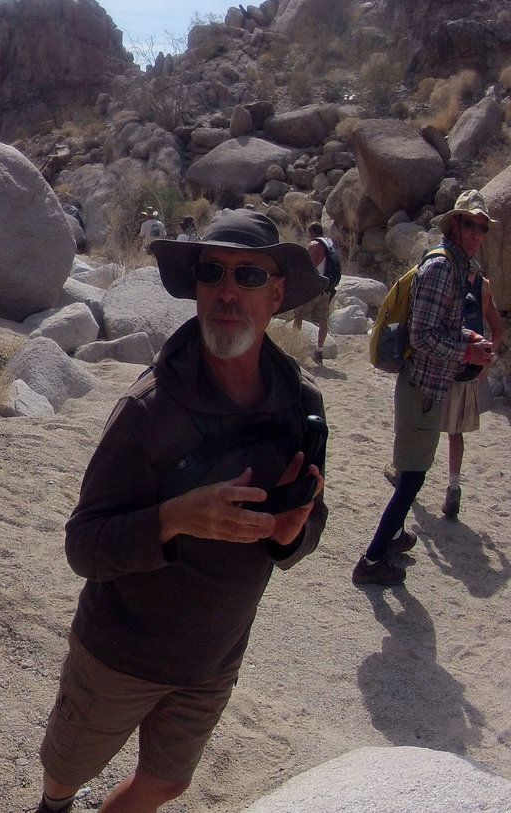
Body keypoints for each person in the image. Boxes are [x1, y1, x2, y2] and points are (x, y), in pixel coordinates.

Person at [36, 208, 329, 813]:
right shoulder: (149, 409)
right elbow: (83, 545)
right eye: (213, 273)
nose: (227, 291)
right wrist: (174, 518)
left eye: (249, 276)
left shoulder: (299, 406)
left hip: (214, 657)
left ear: (277, 294)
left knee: (167, 783)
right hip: (120, 652)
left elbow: (309, 518)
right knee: (65, 775)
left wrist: (289, 536)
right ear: (196, 287)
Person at [352, 190, 497, 586]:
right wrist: (467, 352)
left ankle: (395, 536)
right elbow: (425, 336)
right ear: (455, 224)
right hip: (422, 387)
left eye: (483, 227)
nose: (478, 233)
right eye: (471, 224)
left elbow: (444, 328)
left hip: (429, 386)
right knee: (412, 477)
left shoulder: (455, 266)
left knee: (412, 468)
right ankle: (371, 561)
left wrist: (470, 339)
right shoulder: (442, 269)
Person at [439, 260, 502, 519]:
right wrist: (484, 362)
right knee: (456, 431)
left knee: (424, 424)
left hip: (440, 363)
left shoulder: (445, 277)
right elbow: (497, 329)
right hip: (467, 369)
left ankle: (405, 473)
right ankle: (453, 487)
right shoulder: (482, 286)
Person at [291, 223, 335, 365]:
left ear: (312, 232)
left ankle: (294, 348)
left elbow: (308, 267)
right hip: (326, 288)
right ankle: (319, 351)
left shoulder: (314, 244)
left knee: (298, 315)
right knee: (322, 321)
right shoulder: (330, 246)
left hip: (314, 288)